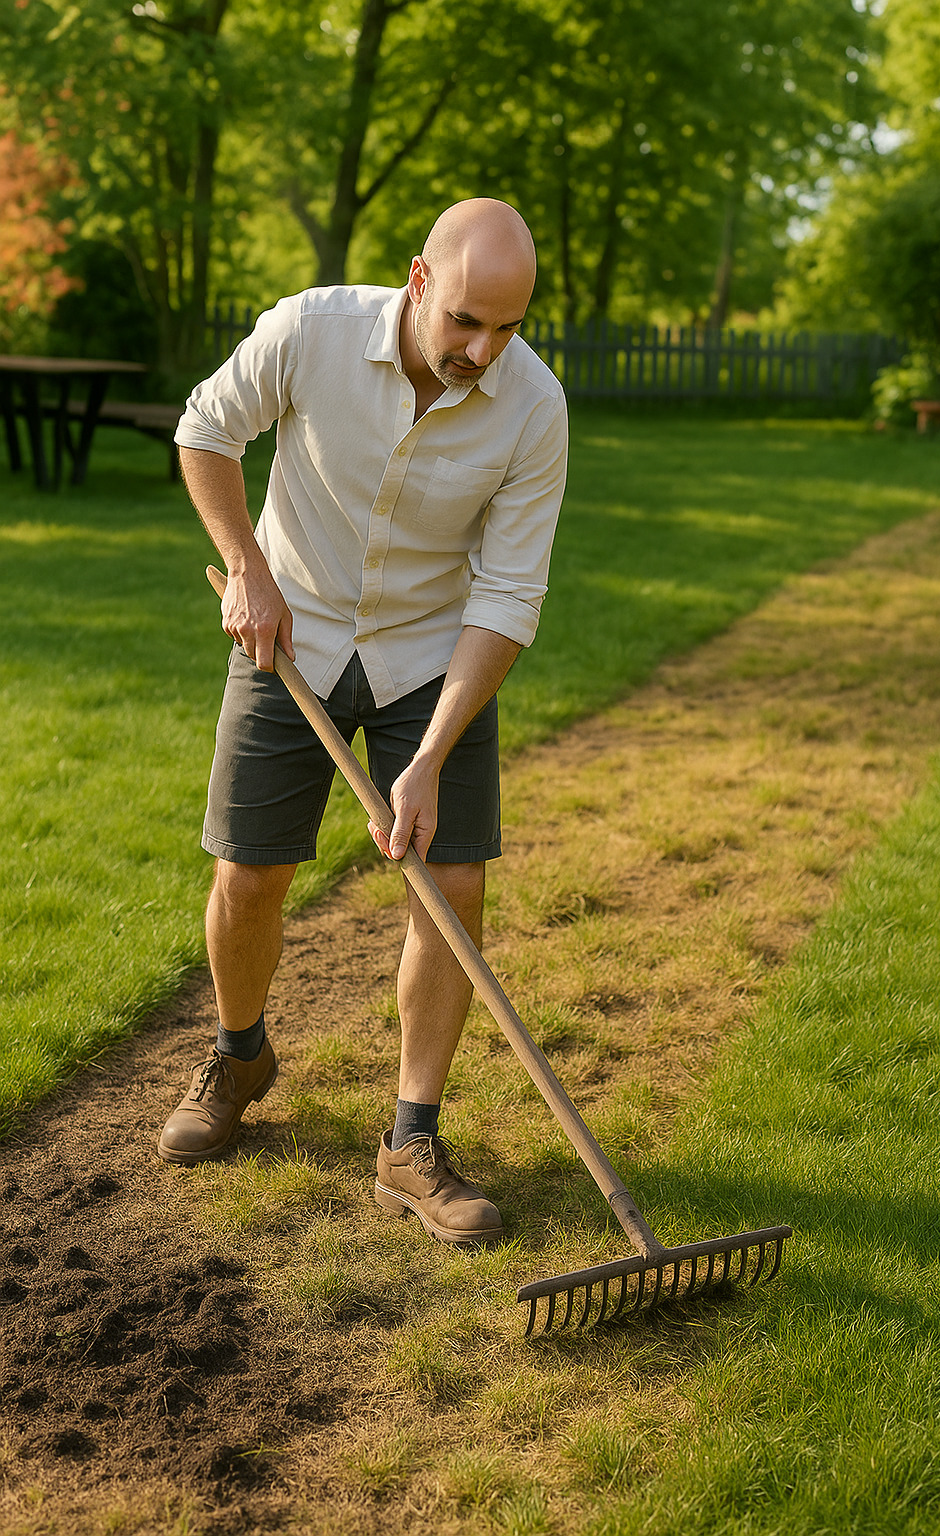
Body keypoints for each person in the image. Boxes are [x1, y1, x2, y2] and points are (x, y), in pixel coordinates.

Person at [157, 198, 569, 1248]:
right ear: (419, 281)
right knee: (249, 872)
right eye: (468, 319)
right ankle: (240, 1054)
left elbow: (509, 594)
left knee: (452, 882)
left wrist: (429, 756)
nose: (484, 349)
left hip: (432, 655)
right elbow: (206, 430)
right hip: (288, 632)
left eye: (508, 328)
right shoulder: (311, 330)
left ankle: (409, 1143)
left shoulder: (533, 408)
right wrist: (248, 570)